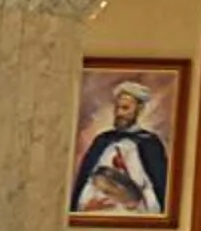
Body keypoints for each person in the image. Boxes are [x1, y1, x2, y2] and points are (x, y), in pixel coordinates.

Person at [71, 81, 170, 215]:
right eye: (117, 108)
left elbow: (156, 192)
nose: (119, 113)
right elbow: (87, 183)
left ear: (139, 109)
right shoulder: (102, 141)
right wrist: (86, 204)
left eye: (125, 108)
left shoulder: (150, 144)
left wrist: (136, 205)